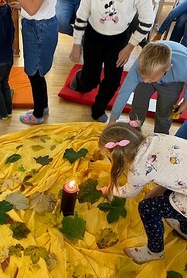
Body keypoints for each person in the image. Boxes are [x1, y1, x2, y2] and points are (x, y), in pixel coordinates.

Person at [99, 121, 187, 264]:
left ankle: (154, 250)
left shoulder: (138, 168)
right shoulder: (155, 137)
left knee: (147, 208)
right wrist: (158, 189)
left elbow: (129, 192)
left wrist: (109, 189)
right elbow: (171, 168)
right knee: (164, 196)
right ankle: (184, 226)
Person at [69, 0, 154, 123]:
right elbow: (82, 15)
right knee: (90, 80)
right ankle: (81, 78)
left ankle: (98, 108)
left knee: (113, 80)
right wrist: (76, 44)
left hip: (119, 40)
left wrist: (129, 47)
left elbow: (147, 22)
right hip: (93, 36)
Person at [108, 41, 187, 134]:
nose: (145, 81)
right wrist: (112, 121)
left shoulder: (183, 67)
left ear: (168, 68)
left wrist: (185, 103)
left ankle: (161, 134)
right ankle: (134, 129)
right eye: (142, 77)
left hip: (173, 82)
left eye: (151, 78)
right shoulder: (140, 65)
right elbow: (124, 92)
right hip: (151, 70)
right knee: (138, 103)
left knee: (165, 111)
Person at [9, 0, 58, 125]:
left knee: (35, 72)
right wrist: (22, 6)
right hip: (38, 25)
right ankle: (43, 107)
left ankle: (38, 114)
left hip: (39, 27)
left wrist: (24, 6)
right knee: (38, 73)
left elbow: (32, 9)